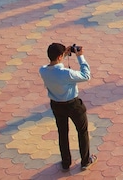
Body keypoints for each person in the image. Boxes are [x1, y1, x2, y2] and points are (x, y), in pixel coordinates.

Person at [39, 43, 96, 172]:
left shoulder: (42, 70)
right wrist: (80, 56)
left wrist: (64, 53)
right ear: (60, 56)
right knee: (82, 131)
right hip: (73, 104)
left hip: (56, 105)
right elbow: (86, 75)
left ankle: (65, 162)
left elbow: (54, 63)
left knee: (62, 133)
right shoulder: (66, 73)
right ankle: (85, 161)